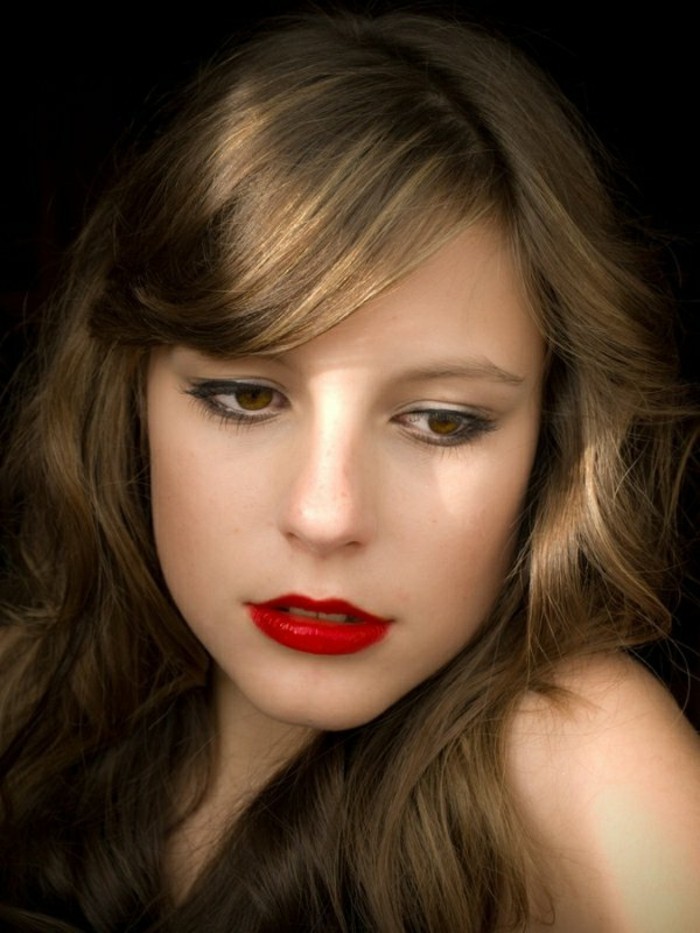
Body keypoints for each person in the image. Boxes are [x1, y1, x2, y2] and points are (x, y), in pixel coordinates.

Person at [1, 8, 698, 931]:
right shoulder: (23, 696)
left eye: (442, 420)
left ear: (552, 442)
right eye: (247, 397)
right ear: (130, 397)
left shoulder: (586, 765)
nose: (325, 514)